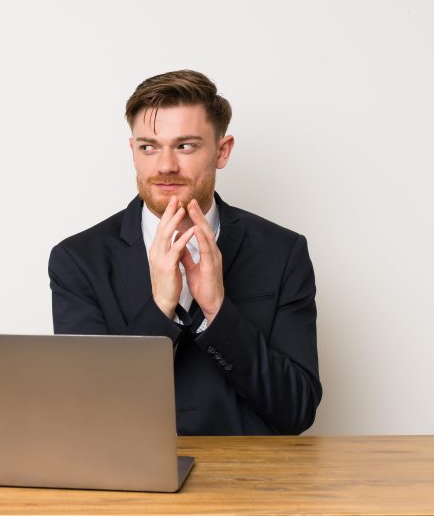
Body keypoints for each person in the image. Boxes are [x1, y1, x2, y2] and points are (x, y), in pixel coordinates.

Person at [48, 70, 321, 435]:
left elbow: (296, 411)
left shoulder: (283, 252)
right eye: (149, 147)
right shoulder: (78, 260)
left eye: (185, 146)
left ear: (222, 151)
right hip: (131, 482)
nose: (165, 166)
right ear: (133, 152)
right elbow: (88, 414)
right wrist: (160, 309)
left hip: (250, 483)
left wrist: (218, 311)